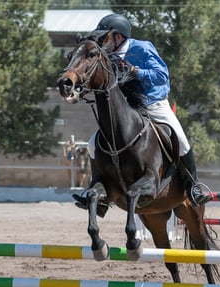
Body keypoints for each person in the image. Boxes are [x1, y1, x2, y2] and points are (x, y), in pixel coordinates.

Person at [73, 13, 212, 216]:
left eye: (106, 37)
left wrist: (136, 71)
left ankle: (193, 187)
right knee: (94, 142)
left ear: (118, 37)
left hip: (153, 103)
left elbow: (161, 75)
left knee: (179, 137)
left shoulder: (143, 48)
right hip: (127, 108)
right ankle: (98, 193)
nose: (103, 42)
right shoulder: (104, 55)